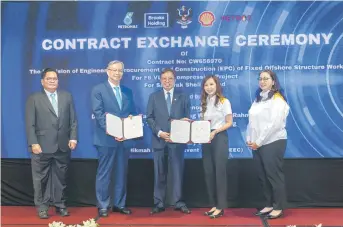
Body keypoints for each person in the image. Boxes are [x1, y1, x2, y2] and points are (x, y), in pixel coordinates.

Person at [25, 68, 78, 219]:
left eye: (55, 78)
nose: (52, 81)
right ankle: (42, 207)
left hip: (62, 145)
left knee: (60, 178)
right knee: (40, 179)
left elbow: (73, 120)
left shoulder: (67, 96)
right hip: (41, 146)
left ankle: (60, 205)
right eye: (49, 79)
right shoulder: (34, 98)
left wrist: (73, 138)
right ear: (42, 81)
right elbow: (30, 124)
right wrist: (33, 143)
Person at [91, 60, 136, 217]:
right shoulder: (98, 90)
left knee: (121, 173)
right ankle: (103, 205)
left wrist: (131, 119)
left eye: (120, 71)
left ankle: (119, 204)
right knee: (104, 173)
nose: (117, 73)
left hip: (124, 140)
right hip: (106, 139)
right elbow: (99, 114)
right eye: (114, 70)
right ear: (107, 71)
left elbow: (132, 112)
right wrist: (114, 132)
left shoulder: (127, 91)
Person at [146, 68, 191, 215]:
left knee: (177, 172)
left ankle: (178, 202)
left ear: (175, 80)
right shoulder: (153, 97)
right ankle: (159, 203)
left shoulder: (183, 97)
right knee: (159, 173)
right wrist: (159, 132)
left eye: (170, 78)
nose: (167, 81)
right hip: (159, 140)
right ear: (160, 80)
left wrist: (184, 126)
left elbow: (187, 118)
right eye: (164, 78)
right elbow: (149, 118)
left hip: (177, 142)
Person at [246, 69, 290, 219]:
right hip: (258, 144)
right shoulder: (258, 98)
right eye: (260, 78)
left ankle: (278, 206)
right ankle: (269, 204)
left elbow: (274, 124)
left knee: (273, 175)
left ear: (273, 81)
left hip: (273, 141)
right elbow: (251, 121)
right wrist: (249, 138)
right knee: (262, 175)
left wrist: (258, 141)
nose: (262, 81)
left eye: (266, 78)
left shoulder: (277, 99)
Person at [200, 75, 233, 219]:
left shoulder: (224, 101)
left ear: (217, 85)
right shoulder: (204, 102)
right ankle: (213, 204)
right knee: (209, 172)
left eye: (211, 84)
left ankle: (221, 206)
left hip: (219, 137)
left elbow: (229, 122)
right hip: (206, 139)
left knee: (219, 172)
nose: (209, 87)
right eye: (206, 85)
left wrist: (215, 131)